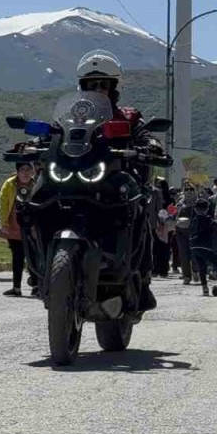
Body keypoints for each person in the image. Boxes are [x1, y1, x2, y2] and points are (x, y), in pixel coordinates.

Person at [75, 49, 162, 310]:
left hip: (115, 181)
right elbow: (55, 133)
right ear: (81, 87)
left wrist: (151, 145)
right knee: (36, 201)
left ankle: (142, 281)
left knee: (138, 210)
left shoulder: (128, 117)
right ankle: (37, 265)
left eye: (104, 84)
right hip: (76, 179)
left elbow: (145, 135)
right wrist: (34, 143)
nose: (98, 89)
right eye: (92, 84)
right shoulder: (74, 116)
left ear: (115, 87)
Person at [0, 159, 36, 297]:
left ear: (32, 171)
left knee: (34, 256)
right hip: (14, 226)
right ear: (18, 172)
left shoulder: (37, 184)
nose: (25, 173)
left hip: (32, 227)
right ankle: (16, 287)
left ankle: (36, 286)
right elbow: (3, 204)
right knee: (17, 257)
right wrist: (4, 224)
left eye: (28, 170)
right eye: (22, 170)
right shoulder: (9, 184)